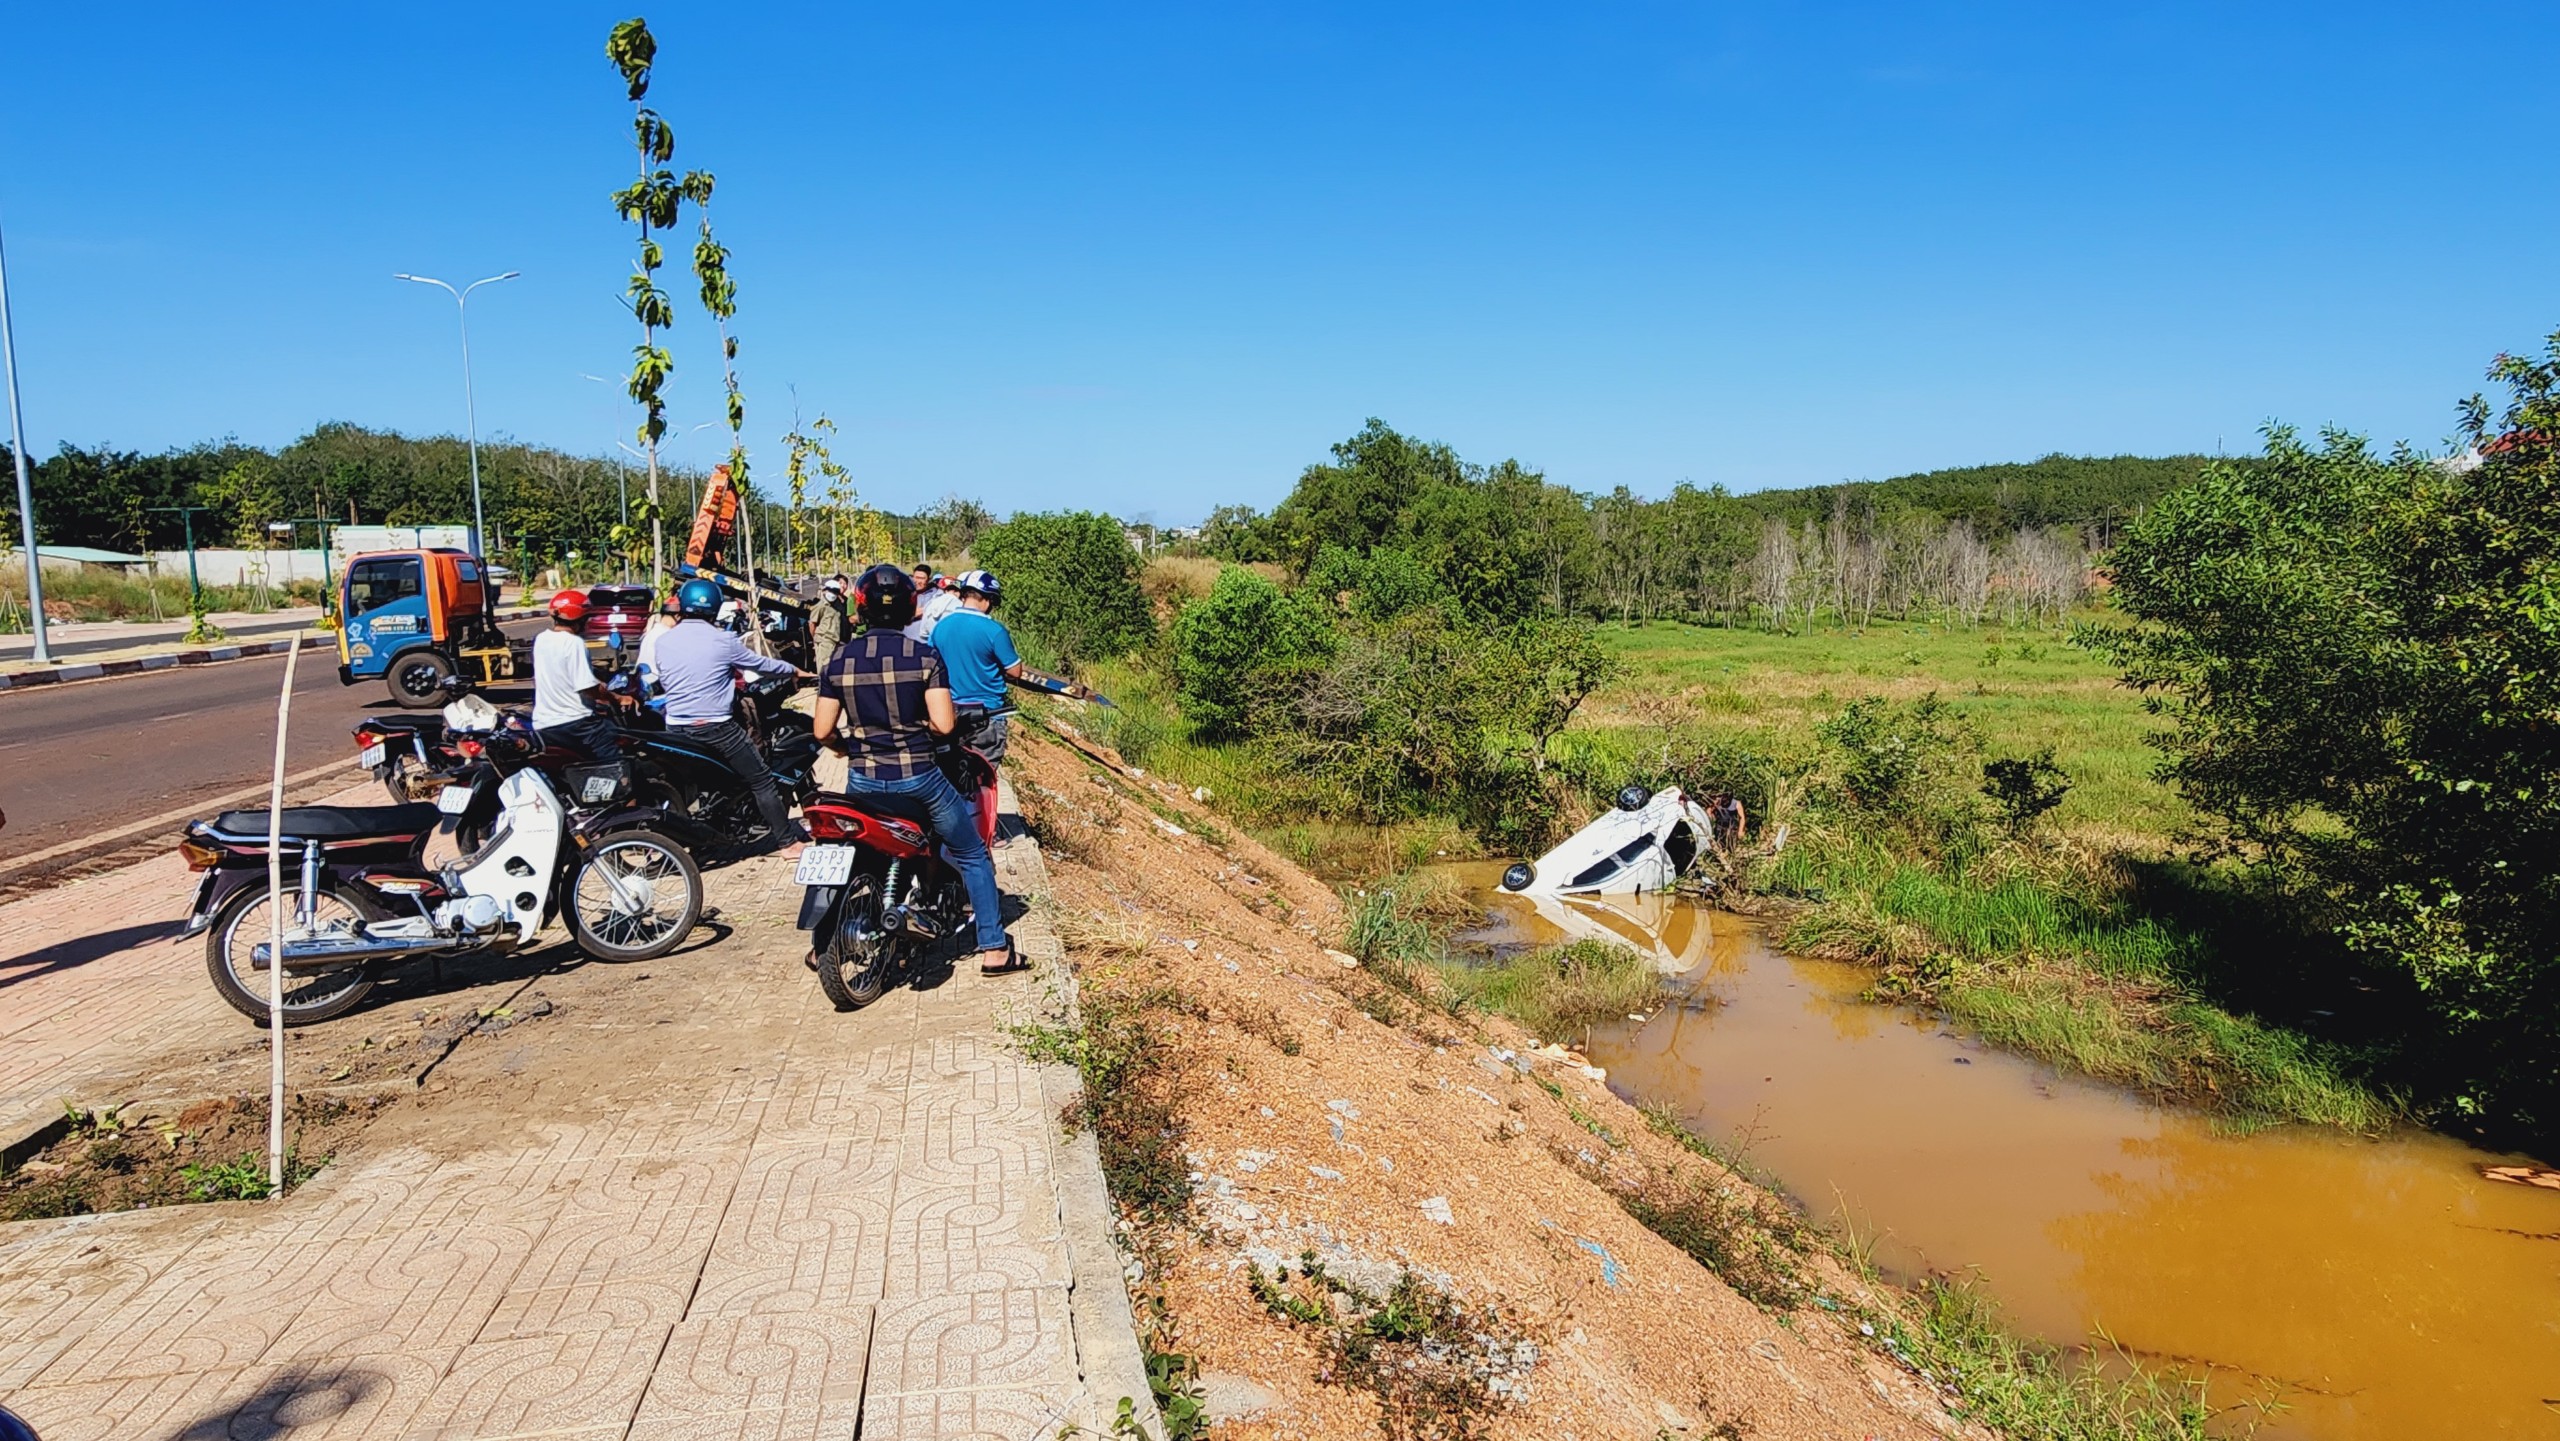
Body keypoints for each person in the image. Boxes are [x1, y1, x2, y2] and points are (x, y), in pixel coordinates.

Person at [812, 564, 1023, 975]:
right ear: (911, 606)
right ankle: (995, 950)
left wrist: (847, 745)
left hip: (862, 779)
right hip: (920, 778)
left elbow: (822, 730)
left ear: (861, 608)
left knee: (862, 856)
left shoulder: (839, 660)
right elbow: (945, 725)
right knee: (973, 853)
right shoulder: (924, 657)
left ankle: (824, 944)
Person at [655, 577, 814, 855]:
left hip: (676, 728)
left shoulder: (664, 642)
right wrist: (793, 670)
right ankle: (787, 842)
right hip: (716, 728)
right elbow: (761, 664)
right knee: (761, 780)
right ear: (716, 607)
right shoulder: (724, 640)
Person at [928, 569, 1093, 765]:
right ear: (988, 600)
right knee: (983, 778)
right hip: (987, 714)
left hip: (950, 710)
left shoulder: (941, 626)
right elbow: (1015, 672)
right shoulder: (994, 631)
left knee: (950, 771)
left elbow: (929, 662)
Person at [531, 589, 623, 762]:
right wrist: (616, 698)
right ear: (580, 620)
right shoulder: (574, 643)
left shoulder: (541, 639)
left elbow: (562, 672)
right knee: (615, 760)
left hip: (545, 724)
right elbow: (587, 688)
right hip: (577, 724)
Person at [906, 569, 962, 643]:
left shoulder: (936, 596)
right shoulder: (906, 592)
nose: (953, 594)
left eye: (956, 591)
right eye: (948, 590)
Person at [809, 575, 849, 664]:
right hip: (825, 641)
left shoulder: (841, 603)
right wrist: (816, 639)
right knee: (824, 667)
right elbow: (812, 624)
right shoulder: (820, 606)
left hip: (837, 641)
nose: (833, 594)